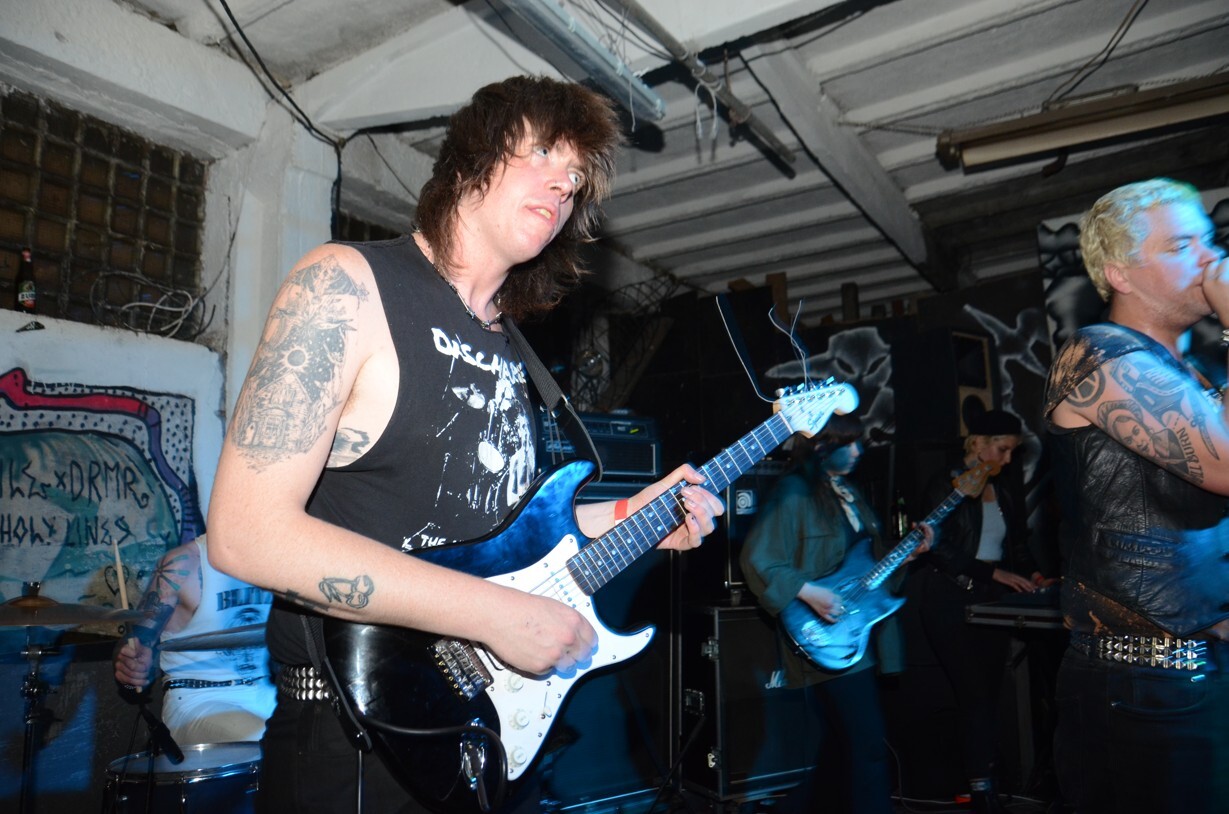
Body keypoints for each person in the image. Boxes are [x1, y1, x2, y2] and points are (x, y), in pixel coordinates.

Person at [205, 75, 724, 814]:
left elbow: (496, 541)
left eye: (575, 176)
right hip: (356, 738)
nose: (563, 184)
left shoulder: (515, 352)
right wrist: (494, 617)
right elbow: (245, 534)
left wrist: (634, 516)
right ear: (471, 157)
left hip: (479, 730)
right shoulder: (347, 285)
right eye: (542, 153)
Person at [1044, 177, 1229, 814]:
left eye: (1208, 240)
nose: (1209, 257)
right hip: (1143, 684)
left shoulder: (1193, 375)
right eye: (1180, 245)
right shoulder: (1095, 356)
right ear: (1119, 273)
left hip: (1193, 670)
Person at [739, 414, 931, 814]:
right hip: (822, 634)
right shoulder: (795, 492)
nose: (858, 451)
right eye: (849, 443)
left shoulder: (848, 493)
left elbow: (867, 566)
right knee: (867, 746)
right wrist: (810, 592)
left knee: (841, 751)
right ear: (822, 446)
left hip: (855, 630)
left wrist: (905, 555)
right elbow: (757, 558)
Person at [912, 408, 1049, 814]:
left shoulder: (1002, 488)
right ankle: (979, 788)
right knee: (973, 693)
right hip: (951, 598)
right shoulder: (947, 484)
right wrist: (993, 572)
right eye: (1002, 450)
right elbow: (938, 546)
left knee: (989, 693)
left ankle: (982, 777)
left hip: (991, 600)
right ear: (979, 444)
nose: (1007, 459)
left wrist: (1034, 575)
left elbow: (1017, 544)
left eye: (1012, 452)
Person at [113, 534, 276, 745]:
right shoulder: (182, 564)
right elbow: (136, 641)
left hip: (269, 692)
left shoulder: (278, 556)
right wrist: (130, 669)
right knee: (273, 739)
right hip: (200, 700)